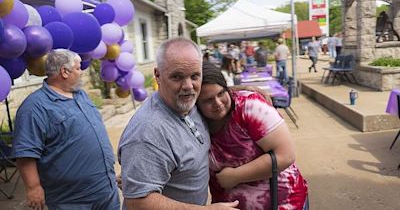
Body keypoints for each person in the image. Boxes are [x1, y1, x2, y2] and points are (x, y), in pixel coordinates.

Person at [118, 37, 239, 209]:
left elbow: (211, 92)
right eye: (177, 77)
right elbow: (138, 202)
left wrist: (247, 91)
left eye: (195, 76)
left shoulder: (186, 102)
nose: (188, 86)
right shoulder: (148, 133)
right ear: (158, 75)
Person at [12, 49, 120, 210]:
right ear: (64, 71)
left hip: (105, 190)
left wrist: (108, 173)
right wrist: (33, 188)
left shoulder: (81, 95)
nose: (82, 72)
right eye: (78, 68)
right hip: (72, 200)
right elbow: (25, 152)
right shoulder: (35, 107)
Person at [197, 62, 309, 210]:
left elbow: (285, 155)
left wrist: (235, 176)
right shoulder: (193, 120)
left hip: (284, 203)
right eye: (208, 100)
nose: (217, 103)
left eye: (221, 93)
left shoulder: (249, 106)